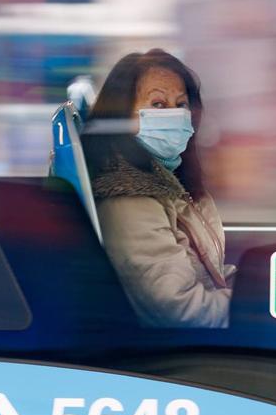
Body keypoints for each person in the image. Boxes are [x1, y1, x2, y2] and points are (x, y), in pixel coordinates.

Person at [82, 49, 233, 328]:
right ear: (121, 115)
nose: (174, 115)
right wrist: (252, 309)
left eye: (181, 104)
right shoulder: (128, 198)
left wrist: (256, 288)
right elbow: (178, 308)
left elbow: (208, 270)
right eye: (159, 104)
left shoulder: (173, 179)